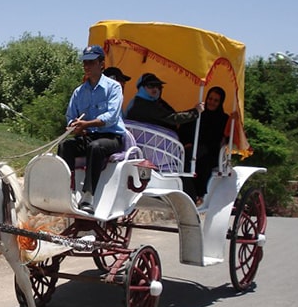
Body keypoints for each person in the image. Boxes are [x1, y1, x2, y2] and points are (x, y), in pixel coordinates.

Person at [57, 45, 126, 214]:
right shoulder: (79, 92)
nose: (87, 66)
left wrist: (86, 125)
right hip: (89, 136)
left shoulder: (114, 87)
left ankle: (88, 196)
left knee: (95, 148)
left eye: (91, 62)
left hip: (111, 137)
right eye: (85, 62)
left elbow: (111, 117)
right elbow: (71, 116)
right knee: (66, 146)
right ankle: (67, 190)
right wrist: (74, 126)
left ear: (101, 63)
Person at [178, 86, 234, 201]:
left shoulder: (224, 119)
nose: (212, 102)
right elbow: (184, 130)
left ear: (220, 102)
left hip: (211, 152)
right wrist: (187, 143)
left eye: (216, 100)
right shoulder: (198, 114)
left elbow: (224, 138)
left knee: (202, 162)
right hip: (193, 148)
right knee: (183, 157)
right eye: (210, 99)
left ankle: (198, 194)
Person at [125, 72, 204, 131]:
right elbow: (173, 118)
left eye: (158, 86)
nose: (155, 89)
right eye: (151, 85)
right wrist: (195, 112)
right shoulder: (145, 104)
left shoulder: (137, 101)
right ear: (141, 88)